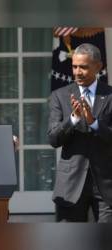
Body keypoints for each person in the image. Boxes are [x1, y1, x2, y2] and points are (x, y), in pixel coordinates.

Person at [48, 43, 112, 222]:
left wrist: (93, 122)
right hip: (70, 185)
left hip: (106, 185)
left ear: (98, 66)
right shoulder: (59, 96)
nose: (77, 72)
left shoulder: (109, 95)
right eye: (74, 66)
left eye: (83, 67)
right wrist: (73, 119)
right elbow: (53, 139)